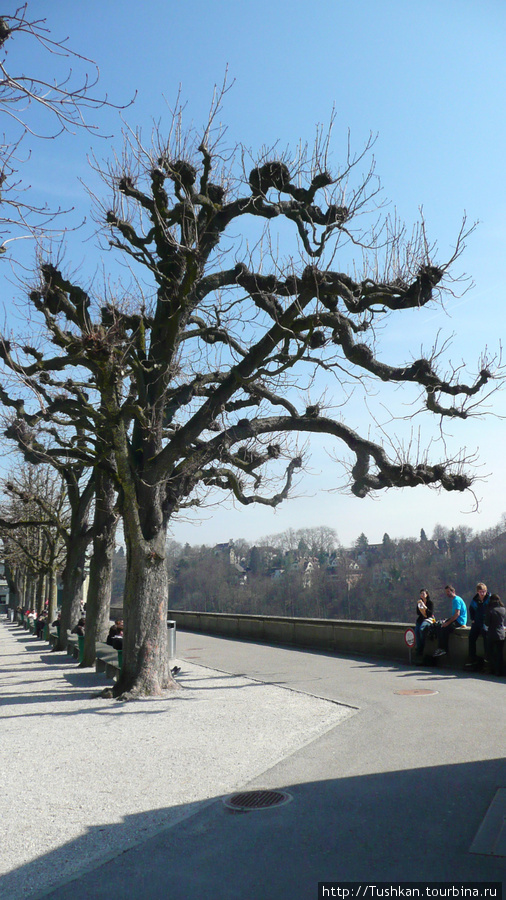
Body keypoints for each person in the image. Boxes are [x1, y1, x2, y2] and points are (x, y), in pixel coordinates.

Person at [433, 584, 467, 658]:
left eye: (448, 592)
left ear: (453, 591)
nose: (447, 594)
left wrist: (447, 623)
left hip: (459, 621)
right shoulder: (455, 600)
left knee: (444, 628)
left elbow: (457, 614)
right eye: (446, 592)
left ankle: (444, 649)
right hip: (457, 619)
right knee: (439, 625)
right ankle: (440, 648)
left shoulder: (456, 600)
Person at [466, 582, 490, 666]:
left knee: (485, 634)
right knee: (471, 637)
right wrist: (472, 619)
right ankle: (472, 657)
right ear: (477, 592)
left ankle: (487, 656)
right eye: (480, 591)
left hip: (485, 621)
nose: (482, 593)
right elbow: (471, 609)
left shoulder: (489, 599)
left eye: (484, 591)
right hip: (476, 621)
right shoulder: (474, 600)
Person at [486, 594, 505, 676]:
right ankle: (500, 670)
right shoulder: (503, 609)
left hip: (492, 634)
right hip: (501, 634)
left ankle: (493, 669)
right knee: (499, 653)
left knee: (491, 653)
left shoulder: (490, 610)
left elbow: (486, 623)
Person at [415, 589, 435, 656]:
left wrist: (424, 607)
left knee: (422, 629)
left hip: (428, 619)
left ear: (427, 594)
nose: (422, 595)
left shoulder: (430, 603)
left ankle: (422, 646)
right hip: (421, 619)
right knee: (416, 631)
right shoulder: (419, 602)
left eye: (423, 594)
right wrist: (420, 606)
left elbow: (430, 613)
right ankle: (418, 648)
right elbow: (418, 613)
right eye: (421, 594)